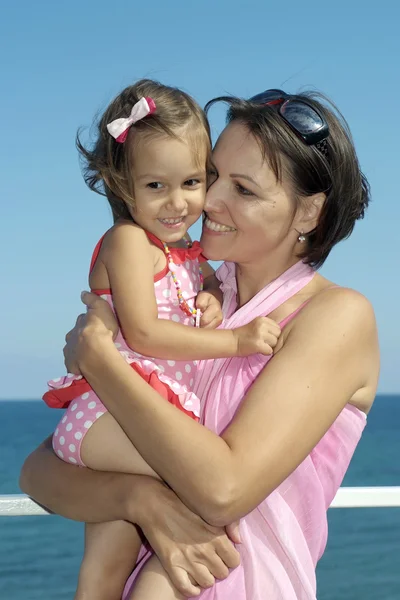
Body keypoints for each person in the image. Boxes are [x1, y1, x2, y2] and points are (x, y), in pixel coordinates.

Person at [20, 87, 379, 600]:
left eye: (244, 189)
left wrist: (101, 362)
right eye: (210, 176)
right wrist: (139, 499)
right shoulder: (191, 300)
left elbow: (222, 489)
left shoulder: (334, 317)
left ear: (307, 214)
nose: (207, 200)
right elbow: (38, 472)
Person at [41, 79, 281, 600]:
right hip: (109, 416)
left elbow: (202, 283)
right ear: (122, 184)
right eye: (156, 186)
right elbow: (146, 334)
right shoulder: (127, 241)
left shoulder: (184, 252)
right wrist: (237, 341)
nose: (178, 203)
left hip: (131, 417)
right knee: (197, 487)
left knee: (107, 568)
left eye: (192, 182)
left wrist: (213, 294)